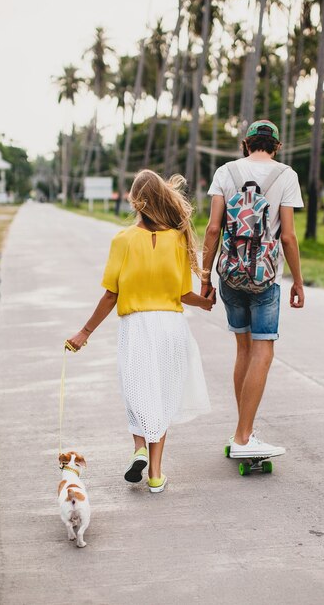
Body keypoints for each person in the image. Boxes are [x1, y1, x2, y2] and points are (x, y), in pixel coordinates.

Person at [67, 170, 214, 493]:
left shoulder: (123, 240)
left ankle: (138, 450)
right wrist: (203, 303)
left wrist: (84, 332)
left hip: (137, 326)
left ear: (135, 201)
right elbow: (182, 293)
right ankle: (156, 475)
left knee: (137, 390)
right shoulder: (177, 238)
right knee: (159, 395)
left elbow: (111, 294)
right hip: (171, 326)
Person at [201, 119, 305, 458]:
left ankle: (242, 431)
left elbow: (213, 229)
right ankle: (244, 437)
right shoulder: (286, 175)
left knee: (243, 350)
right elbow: (287, 236)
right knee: (263, 352)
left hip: (229, 275)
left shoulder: (225, 172)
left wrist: (205, 277)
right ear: (276, 146)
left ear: (246, 144)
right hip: (265, 278)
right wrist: (298, 282)